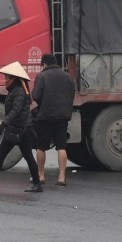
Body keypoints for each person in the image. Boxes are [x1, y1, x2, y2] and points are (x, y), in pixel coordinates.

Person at [0, 62, 42, 193]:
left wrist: (3, 124)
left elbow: (16, 110)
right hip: (19, 128)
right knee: (17, 156)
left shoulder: (19, 92)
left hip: (18, 129)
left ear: (14, 78)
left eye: (7, 77)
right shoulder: (17, 90)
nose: (5, 80)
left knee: (8, 156)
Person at [31, 53, 76, 186]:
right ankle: (61, 177)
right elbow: (72, 95)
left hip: (46, 116)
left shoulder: (42, 76)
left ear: (44, 64)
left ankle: (41, 176)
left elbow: (36, 96)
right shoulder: (68, 77)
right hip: (63, 116)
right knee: (61, 146)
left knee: (41, 147)